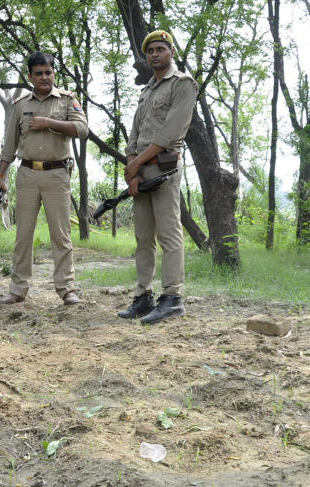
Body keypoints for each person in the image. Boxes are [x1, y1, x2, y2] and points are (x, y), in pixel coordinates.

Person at [0, 52, 88, 306]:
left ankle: (66, 289)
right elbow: (9, 146)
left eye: (49, 72)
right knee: (23, 235)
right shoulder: (21, 105)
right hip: (27, 174)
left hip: (57, 174)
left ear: (54, 73)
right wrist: (0, 177)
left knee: (61, 235)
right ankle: (18, 289)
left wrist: (48, 123)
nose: (45, 77)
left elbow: (82, 129)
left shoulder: (67, 100)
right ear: (30, 76)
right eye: (39, 73)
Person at [118, 30, 197, 324]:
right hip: (141, 171)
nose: (155, 54)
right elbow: (135, 133)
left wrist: (136, 163)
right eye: (150, 50)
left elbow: (171, 132)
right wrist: (132, 169)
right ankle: (143, 297)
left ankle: (173, 298)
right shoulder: (147, 90)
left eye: (160, 49)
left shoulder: (183, 84)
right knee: (142, 238)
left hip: (164, 169)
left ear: (171, 52)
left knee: (169, 235)